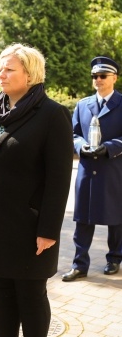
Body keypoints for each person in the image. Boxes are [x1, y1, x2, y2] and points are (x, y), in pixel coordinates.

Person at [0, 43, 73, 337]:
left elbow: (59, 178)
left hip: (28, 228)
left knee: (30, 298)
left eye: (9, 68)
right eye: (1, 67)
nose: (1, 73)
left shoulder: (52, 115)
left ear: (30, 74)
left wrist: (48, 230)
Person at [62, 56, 122, 282]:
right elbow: (74, 133)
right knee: (83, 219)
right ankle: (79, 264)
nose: (98, 80)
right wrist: (80, 145)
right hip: (88, 169)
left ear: (114, 78)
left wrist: (109, 147)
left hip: (113, 169)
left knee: (116, 218)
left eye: (103, 76)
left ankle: (114, 258)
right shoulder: (83, 104)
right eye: (94, 76)